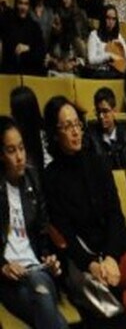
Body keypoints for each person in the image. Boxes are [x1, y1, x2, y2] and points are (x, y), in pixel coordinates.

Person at [41, 96, 126, 329]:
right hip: (83, 262)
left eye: (77, 124)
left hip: (116, 248)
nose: (75, 132)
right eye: (66, 126)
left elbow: (115, 214)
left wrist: (112, 257)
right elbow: (65, 231)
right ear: (55, 133)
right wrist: (92, 264)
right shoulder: (51, 177)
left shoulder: (98, 162)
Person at [0, 116, 67, 329]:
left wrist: (51, 259)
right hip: (10, 280)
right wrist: (3, 267)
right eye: (11, 151)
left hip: (37, 269)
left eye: (21, 148)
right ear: (0, 155)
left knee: (41, 288)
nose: (20, 157)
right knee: (46, 305)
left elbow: (43, 228)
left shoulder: (33, 177)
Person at [87, 87, 126, 169]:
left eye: (105, 111)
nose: (101, 116)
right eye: (98, 112)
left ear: (114, 111)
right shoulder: (90, 135)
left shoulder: (124, 134)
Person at [1, 0, 47, 75]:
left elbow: (41, 51)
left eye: (26, 4)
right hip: (10, 71)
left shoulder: (34, 26)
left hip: (29, 71)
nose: (23, 7)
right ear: (16, 4)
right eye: (20, 3)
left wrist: (28, 48)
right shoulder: (7, 21)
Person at [86, 5, 126, 77]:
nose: (111, 22)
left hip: (115, 72)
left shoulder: (118, 36)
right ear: (103, 18)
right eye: (108, 18)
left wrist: (122, 49)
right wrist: (109, 56)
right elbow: (91, 59)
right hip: (99, 73)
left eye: (113, 19)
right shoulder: (94, 35)